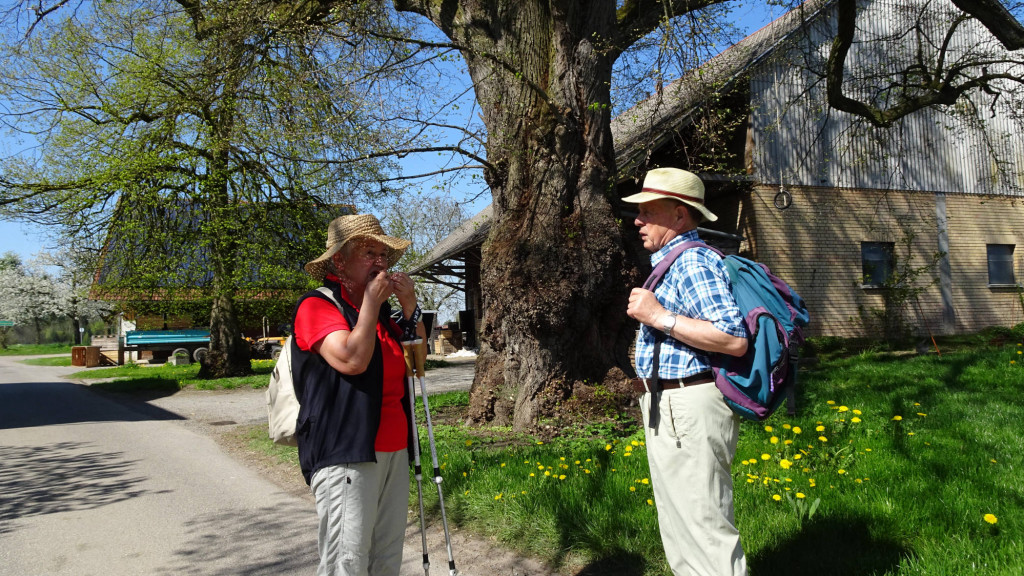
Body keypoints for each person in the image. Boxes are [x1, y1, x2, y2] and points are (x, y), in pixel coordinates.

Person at [623, 167, 750, 576]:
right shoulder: (671, 262)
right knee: (678, 525)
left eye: (648, 212)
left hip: (689, 405)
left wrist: (659, 317)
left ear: (679, 215)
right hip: (670, 403)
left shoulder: (693, 261)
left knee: (703, 525)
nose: (638, 221)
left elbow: (733, 338)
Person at [292, 213, 422, 576]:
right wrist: (370, 306)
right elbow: (351, 360)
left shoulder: (383, 317)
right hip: (345, 451)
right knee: (346, 561)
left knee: (386, 556)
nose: (379, 262)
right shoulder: (316, 306)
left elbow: (418, 366)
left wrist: (410, 306)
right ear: (339, 261)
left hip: (394, 448)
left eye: (383, 255)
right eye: (369, 253)